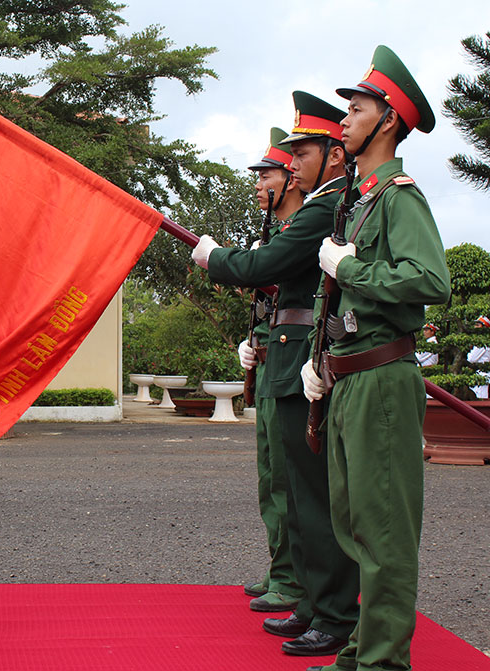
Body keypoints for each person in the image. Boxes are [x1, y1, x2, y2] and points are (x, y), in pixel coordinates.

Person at [193, 92, 361, 659]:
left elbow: (265, 268)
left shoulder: (326, 206)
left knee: (313, 497)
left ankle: (335, 614)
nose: (292, 163)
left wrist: (213, 255)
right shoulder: (324, 202)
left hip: (305, 361)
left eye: (303, 151)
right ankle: (315, 604)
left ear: (334, 155)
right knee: (295, 492)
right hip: (289, 355)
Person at [301, 45, 451, 671]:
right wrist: (320, 358)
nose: (346, 119)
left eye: (357, 108)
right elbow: (335, 293)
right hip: (348, 378)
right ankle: (365, 650)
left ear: (388, 119)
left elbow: (429, 281)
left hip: (382, 379)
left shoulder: (398, 197)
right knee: (355, 525)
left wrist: (352, 265)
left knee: (384, 531)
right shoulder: (358, 200)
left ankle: (384, 663)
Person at [215, 127, 306, 611]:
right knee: (271, 478)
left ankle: (294, 581)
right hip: (272, 364)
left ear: (290, 180)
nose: (257, 184)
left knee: (290, 480)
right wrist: (252, 342)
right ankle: (282, 569)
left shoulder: (300, 233)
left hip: (294, 367)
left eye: (265, 175)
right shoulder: (275, 234)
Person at [468, 317, 490, 398]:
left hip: (482, 373)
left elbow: (471, 359)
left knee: (481, 396)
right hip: (478, 372)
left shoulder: (482, 342)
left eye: (478, 325)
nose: (475, 327)